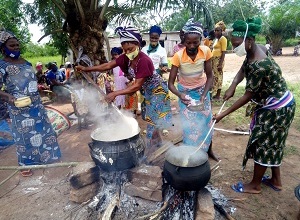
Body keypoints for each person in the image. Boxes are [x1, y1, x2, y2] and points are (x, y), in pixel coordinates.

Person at [214, 17, 295, 194]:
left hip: (277, 109)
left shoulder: (259, 64)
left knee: (263, 144)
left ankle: (255, 185)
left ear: (249, 40)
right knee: (274, 142)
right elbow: (243, 70)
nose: (234, 48)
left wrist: (222, 115)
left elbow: (248, 96)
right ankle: (276, 180)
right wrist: (233, 85)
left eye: (237, 44)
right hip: (280, 103)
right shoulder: (256, 51)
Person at [76, 26, 172, 148]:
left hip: (157, 92)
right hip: (147, 92)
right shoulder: (125, 58)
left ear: (137, 44)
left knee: (151, 122)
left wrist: (115, 93)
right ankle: (158, 143)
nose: (127, 52)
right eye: (125, 49)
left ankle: (152, 149)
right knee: (150, 119)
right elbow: (107, 65)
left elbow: (136, 86)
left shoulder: (144, 60)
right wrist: (86, 69)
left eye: (130, 49)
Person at [0, 31, 61, 176]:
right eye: (11, 45)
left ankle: (49, 157)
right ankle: (26, 164)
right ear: (3, 47)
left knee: (45, 131)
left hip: (35, 105)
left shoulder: (26, 63)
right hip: (18, 108)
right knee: (24, 136)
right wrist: (7, 96)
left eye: (17, 45)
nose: (15, 47)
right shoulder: (2, 66)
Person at [168, 19, 219, 161]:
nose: (191, 46)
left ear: (200, 40)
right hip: (185, 92)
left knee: (206, 122)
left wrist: (203, 95)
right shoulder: (178, 56)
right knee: (189, 125)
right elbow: (170, 84)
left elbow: (210, 77)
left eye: (195, 42)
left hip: (202, 89)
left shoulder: (206, 51)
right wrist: (180, 94)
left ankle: (209, 150)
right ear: (183, 41)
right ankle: (191, 153)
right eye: (188, 43)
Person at [211, 21, 227, 101]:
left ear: (222, 31)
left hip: (219, 60)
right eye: (215, 30)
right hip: (214, 60)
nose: (216, 32)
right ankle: (214, 92)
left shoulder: (223, 39)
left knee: (219, 76)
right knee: (215, 76)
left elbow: (224, 52)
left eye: (218, 30)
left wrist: (220, 64)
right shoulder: (216, 40)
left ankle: (218, 95)